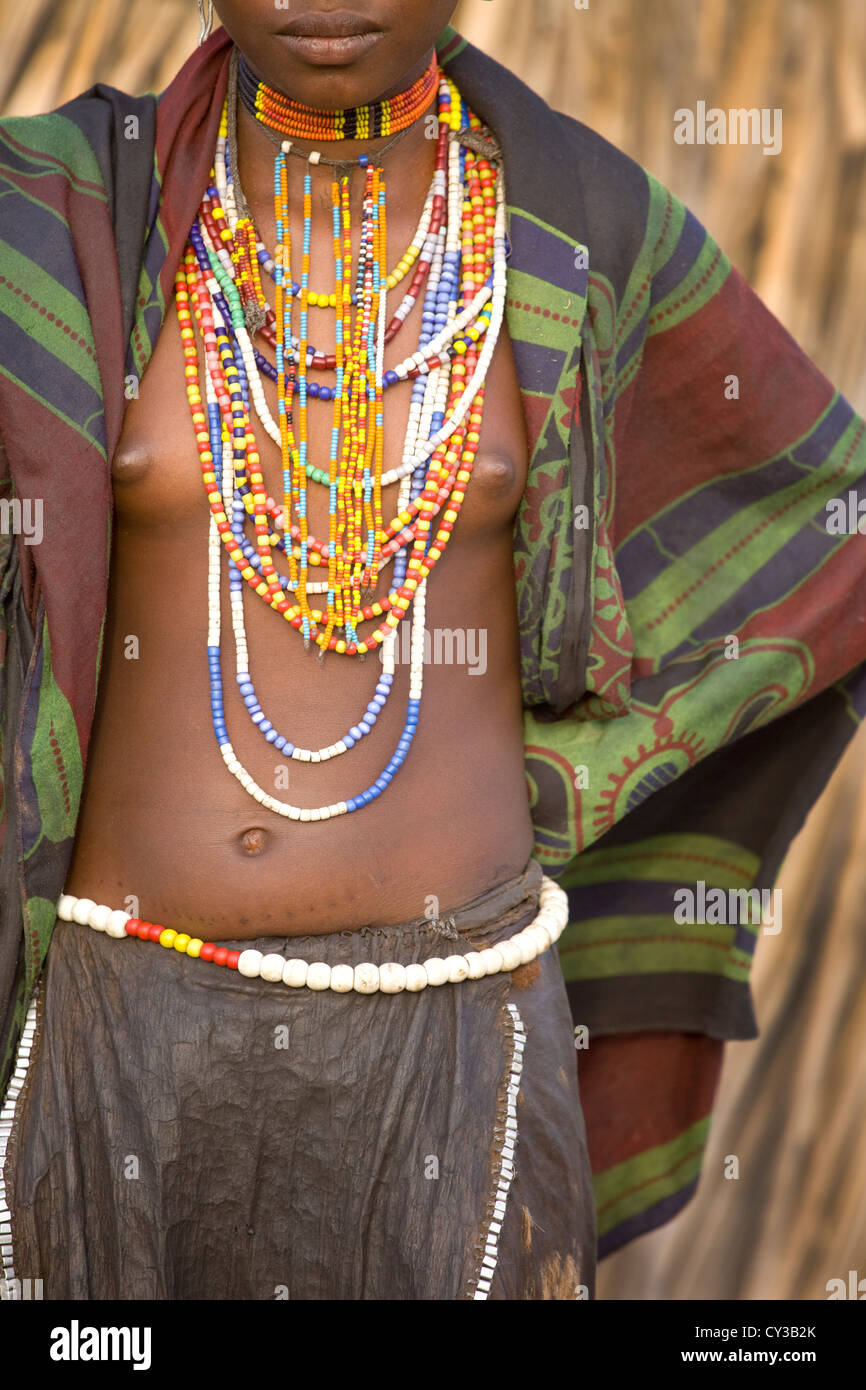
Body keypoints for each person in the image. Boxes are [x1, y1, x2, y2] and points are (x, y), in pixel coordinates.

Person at [1, 0, 864, 1300]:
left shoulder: (579, 228)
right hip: (115, 1019)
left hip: (460, 1035)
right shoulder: (52, 214)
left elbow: (827, 534)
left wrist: (601, 769)